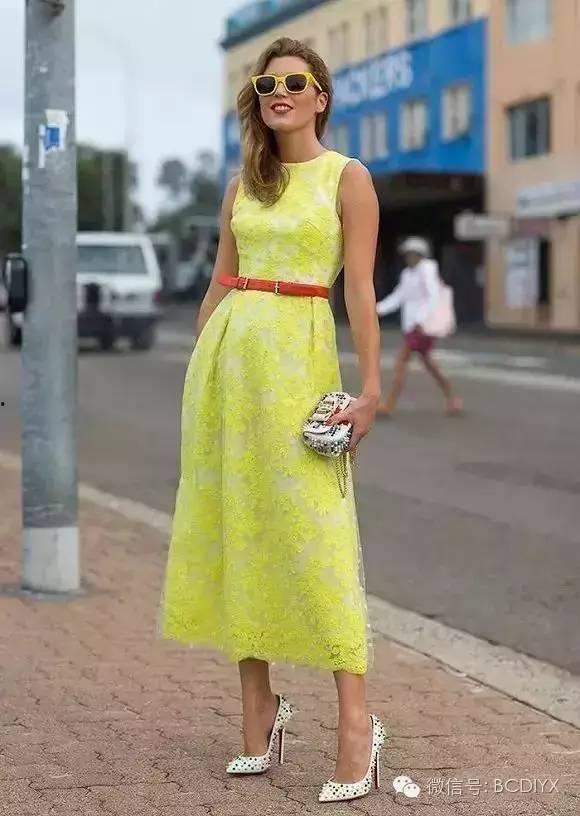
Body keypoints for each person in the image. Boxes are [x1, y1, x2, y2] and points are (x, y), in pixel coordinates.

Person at [160, 37, 386, 804]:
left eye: (295, 81)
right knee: (239, 529)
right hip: (228, 370)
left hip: (301, 363)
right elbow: (220, 282)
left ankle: (356, 724)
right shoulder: (242, 185)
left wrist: (371, 390)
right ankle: (258, 707)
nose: (279, 91)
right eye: (266, 84)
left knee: (318, 539)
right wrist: (200, 365)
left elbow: (359, 291)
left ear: (320, 96)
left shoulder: (347, 178)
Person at [375, 237, 463, 417]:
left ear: (420, 254)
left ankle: (388, 405)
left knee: (401, 361)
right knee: (430, 364)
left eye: (412, 254)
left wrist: (421, 319)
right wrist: (377, 309)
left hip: (422, 326)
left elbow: (433, 296)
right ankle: (453, 398)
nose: (409, 257)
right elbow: (399, 296)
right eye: (407, 254)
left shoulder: (427, 269)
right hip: (412, 326)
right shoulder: (407, 274)